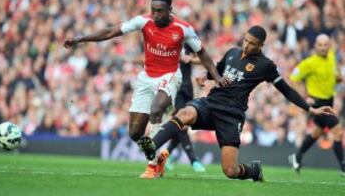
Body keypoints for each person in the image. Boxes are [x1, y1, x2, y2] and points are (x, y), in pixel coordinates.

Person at [137, 25, 334, 182]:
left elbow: (286, 89)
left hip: (232, 114)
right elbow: (218, 70)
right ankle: (152, 146)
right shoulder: (232, 52)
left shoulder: (266, 65)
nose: (247, 45)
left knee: (230, 171)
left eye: (252, 43)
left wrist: (310, 109)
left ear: (261, 45)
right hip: (212, 103)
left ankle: (254, 171)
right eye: (246, 40)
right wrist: (206, 76)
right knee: (184, 114)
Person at [63, 0, 229, 179]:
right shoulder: (143, 22)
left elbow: (203, 53)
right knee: (135, 133)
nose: (156, 15)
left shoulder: (183, 29)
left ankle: (152, 167)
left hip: (170, 75)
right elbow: (111, 31)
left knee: (156, 110)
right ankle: (156, 157)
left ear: (169, 11)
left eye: (160, 11)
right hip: (146, 77)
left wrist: (216, 76)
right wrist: (81, 39)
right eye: (153, 10)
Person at [288, 34, 344, 175]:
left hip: (329, 100)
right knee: (337, 130)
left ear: (329, 46)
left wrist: (337, 79)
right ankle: (343, 166)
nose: (323, 47)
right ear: (315, 46)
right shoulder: (309, 63)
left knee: (317, 132)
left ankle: (297, 156)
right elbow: (293, 77)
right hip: (317, 103)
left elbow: (333, 76)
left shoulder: (332, 57)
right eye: (320, 44)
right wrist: (305, 96)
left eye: (325, 44)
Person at [164, 45, 206, 173]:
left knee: (182, 125)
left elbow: (203, 58)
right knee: (181, 124)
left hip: (187, 89)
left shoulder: (188, 45)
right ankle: (194, 160)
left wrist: (190, 59)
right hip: (174, 90)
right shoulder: (168, 47)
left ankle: (166, 156)